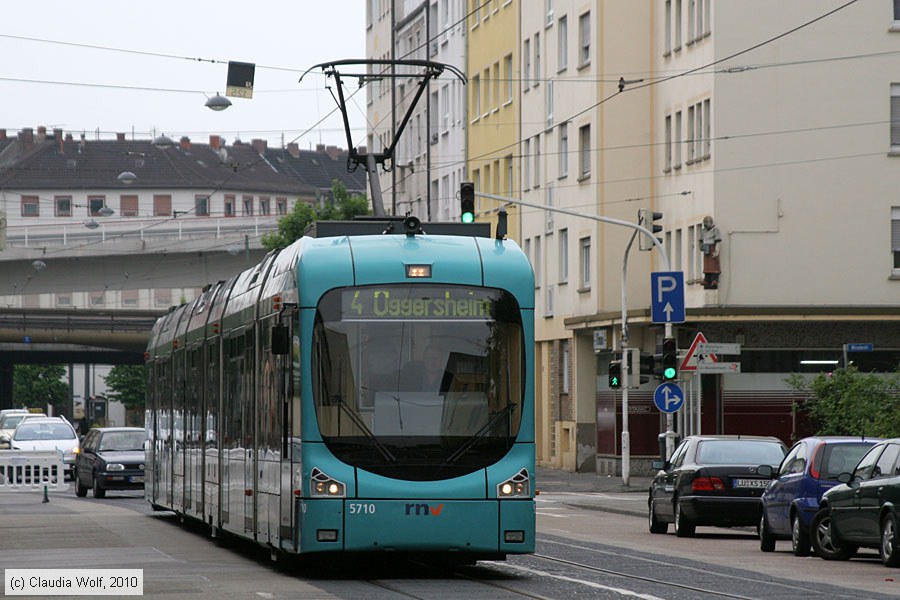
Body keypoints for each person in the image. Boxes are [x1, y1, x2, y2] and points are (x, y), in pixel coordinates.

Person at [699, 215, 722, 289]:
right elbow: (701, 240)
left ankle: (714, 279)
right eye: (704, 222)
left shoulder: (715, 230)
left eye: (706, 222)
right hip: (706, 248)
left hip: (712, 248)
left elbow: (718, 241)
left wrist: (717, 251)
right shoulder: (703, 231)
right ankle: (707, 279)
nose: (705, 224)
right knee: (707, 265)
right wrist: (701, 246)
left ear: (711, 222)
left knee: (714, 265)